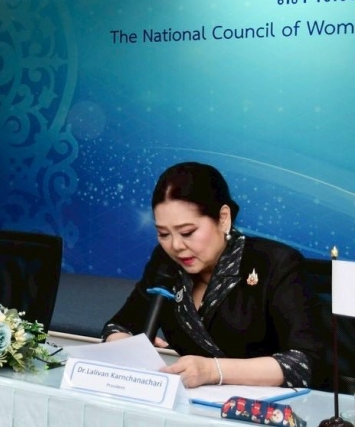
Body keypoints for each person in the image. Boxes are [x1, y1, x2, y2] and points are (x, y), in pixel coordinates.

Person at [103, 162, 323, 388]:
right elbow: (118, 326)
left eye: (187, 232)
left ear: (223, 218)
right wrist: (125, 347)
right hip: (194, 403)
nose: (176, 246)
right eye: (164, 234)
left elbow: (306, 362)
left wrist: (213, 370)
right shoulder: (165, 262)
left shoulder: (276, 262)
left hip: (276, 406)